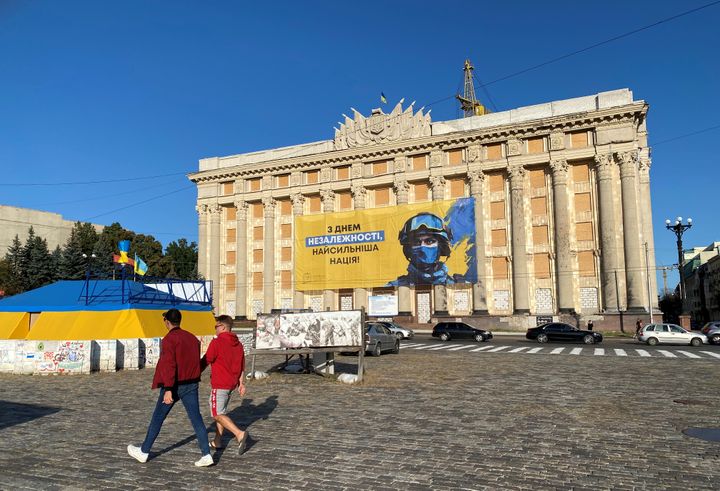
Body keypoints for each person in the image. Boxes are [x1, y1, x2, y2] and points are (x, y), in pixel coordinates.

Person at [127, 308, 213, 467]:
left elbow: (169, 365)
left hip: (174, 385)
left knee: (158, 417)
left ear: (167, 322)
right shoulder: (192, 338)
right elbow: (196, 361)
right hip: (191, 384)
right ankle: (206, 454)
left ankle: (144, 451)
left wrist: (168, 389)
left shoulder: (169, 340)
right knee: (197, 419)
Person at [201, 315, 249, 455]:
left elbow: (207, 360)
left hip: (220, 383)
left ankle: (239, 433)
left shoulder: (217, 343)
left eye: (216, 327)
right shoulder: (238, 344)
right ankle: (217, 440)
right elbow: (242, 365)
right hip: (231, 384)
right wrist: (241, 383)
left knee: (216, 413)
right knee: (221, 412)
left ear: (223, 326)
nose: (215, 330)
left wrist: (195, 372)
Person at [387, 213, 464, 286]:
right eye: (416, 242)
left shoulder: (461, 286)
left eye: (429, 241)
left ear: (441, 247)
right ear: (408, 250)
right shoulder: (392, 289)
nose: (422, 247)